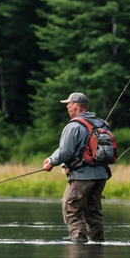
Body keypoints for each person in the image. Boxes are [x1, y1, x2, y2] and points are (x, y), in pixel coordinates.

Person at [43, 92, 110, 243]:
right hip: (101, 175)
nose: (67, 106)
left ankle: (78, 243)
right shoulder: (102, 124)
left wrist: (50, 162)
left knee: (72, 210)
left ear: (78, 106)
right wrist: (53, 159)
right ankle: (98, 242)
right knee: (94, 212)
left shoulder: (74, 126)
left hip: (81, 176)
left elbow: (65, 151)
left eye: (70, 103)